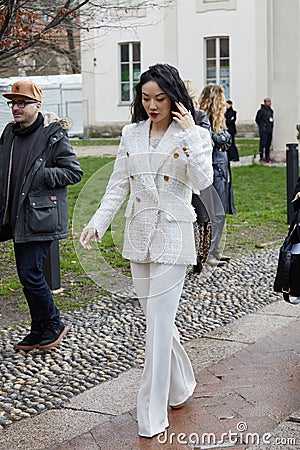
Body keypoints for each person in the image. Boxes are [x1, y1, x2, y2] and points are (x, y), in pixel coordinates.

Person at [80, 63, 213, 438]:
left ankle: (151, 414)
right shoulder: (131, 134)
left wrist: (190, 135)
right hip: (139, 236)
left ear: (175, 99)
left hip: (173, 235)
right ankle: (182, 383)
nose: (152, 105)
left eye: (160, 98)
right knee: (159, 324)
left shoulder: (195, 134)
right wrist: (98, 223)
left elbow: (205, 182)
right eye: (145, 98)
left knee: (156, 329)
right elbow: (117, 185)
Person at [0, 80, 83, 351]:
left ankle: (53, 323)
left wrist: (41, 175)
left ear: (38, 105)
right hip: (16, 216)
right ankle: (39, 329)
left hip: (40, 217)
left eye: (22, 103)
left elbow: (73, 171)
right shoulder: (9, 134)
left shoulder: (53, 135)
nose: (16, 108)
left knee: (31, 273)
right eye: (13, 103)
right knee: (27, 276)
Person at [198, 83, 235, 266]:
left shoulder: (215, 122)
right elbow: (218, 140)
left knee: (219, 213)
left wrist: (223, 139)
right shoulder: (205, 122)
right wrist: (222, 139)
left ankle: (215, 251)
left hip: (220, 169)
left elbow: (226, 140)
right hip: (213, 170)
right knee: (216, 213)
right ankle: (209, 253)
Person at [255, 97, 274, 164]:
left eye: (270, 101)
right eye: (268, 102)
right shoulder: (261, 111)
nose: (269, 103)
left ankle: (267, 158)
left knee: (268, 145)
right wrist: (262, 126)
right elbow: (257, 119)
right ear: (265, 102)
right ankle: (261, 158)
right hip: (263, 130)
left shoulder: (270, 111)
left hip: (269, 130)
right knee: (263, 144)